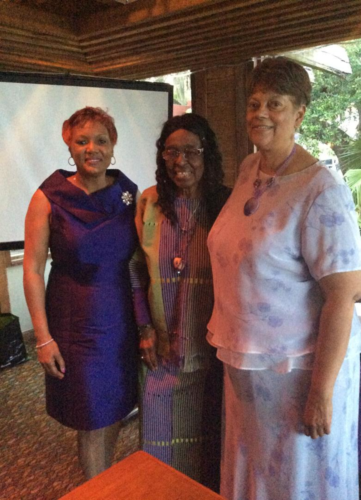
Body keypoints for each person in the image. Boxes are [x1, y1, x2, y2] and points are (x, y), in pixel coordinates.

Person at [206, 57, 361, 500]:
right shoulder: (248, 171)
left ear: (299, 114)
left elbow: (344, 295)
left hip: (299, 373)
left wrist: (320, 393)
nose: (260, 113)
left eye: (274, 104)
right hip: (249, 367)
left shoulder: (321, 190)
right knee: (257, 473)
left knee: (296, 481)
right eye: (254, 103)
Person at [23, 107, 138, 479]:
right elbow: (33, 269)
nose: (92, 148)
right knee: (91, 418)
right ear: (68, 143)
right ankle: (98, 489)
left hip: (121, 324)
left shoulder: (128, 194)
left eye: (101, 140)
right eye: (82, 140)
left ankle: (104, 482)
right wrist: (42, 338)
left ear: (113, 144)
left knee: (115, 411)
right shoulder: (49, 197)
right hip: (75, 326)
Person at [131, 113, 230, 491]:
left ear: (207, 156)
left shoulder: (226, 205)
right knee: (159, 446)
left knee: (209, 443)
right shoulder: (150, 204)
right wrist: (144, 329)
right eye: (172, 151)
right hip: (161, 350)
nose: (180, 161)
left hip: (210, 352)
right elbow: (135, 271)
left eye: (191, 151)